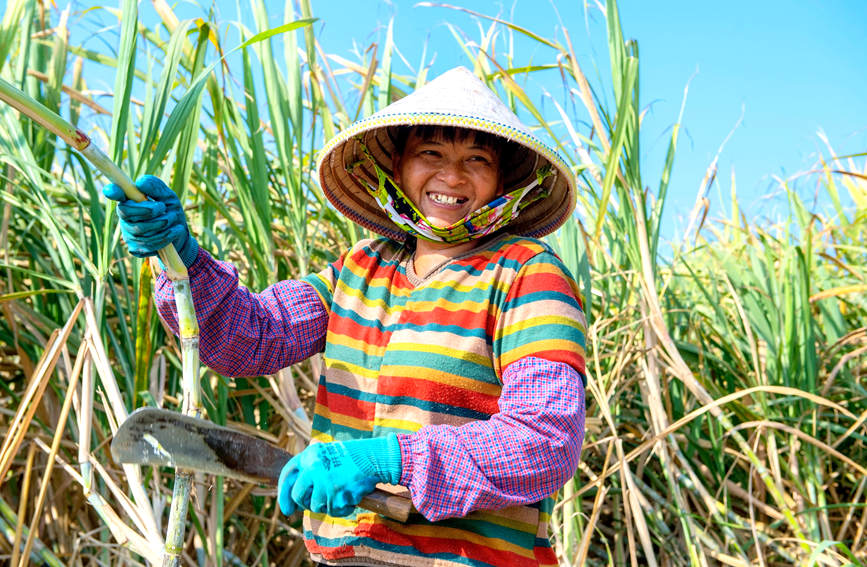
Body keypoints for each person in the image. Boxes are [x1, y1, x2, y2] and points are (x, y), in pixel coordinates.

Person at [105, 66, 586, 567]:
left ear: (502, 179)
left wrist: (387, 459)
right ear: (398, 165)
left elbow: (544, 442)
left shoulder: (528, 275)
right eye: (431, 153)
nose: (452, 175)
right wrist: (181, 259)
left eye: (477, 159)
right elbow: (249, 338)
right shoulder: (360, 269)